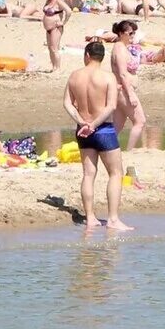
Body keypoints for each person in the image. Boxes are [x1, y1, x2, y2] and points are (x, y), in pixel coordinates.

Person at [63, 39, 130, 232]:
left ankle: (90, 217)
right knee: (116, 173)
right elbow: (111, 106)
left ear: (87, 55)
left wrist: (83, 122)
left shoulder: (75, 76)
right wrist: (93, 125)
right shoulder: (108, 77)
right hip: (103, 129)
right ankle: (113, 219)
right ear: (102, 57)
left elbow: (67, 103)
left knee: (88, 174)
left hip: (83, 130)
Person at [109, 18, 149, 157]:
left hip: (122, 90)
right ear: (121, 33)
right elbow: (122, 74)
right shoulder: (119, 48)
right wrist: (130, 94)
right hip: (124, 90)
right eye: (130, 33)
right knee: (140, 121)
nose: (132, 36)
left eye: (134, 33)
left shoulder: (123, 48)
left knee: (117, 126)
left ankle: (105, 149)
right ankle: (130, 151)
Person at [39, 0, 66, 70]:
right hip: (48, 28)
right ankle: (53, 67)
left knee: (55, 48)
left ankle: (57, 68)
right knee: (50, 48)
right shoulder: (47, 1)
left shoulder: (58, 1)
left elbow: (69, 11)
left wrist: (63, 22)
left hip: (56, 28)